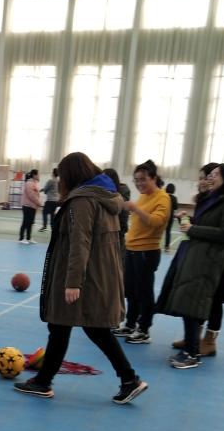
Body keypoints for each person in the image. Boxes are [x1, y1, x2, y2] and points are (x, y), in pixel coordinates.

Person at [14, 152, 147, 404]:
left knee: (68, 325)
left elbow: (80, 241)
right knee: (76, 327)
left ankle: (127, 379)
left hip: (83, 276)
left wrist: (73, 282)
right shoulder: (107, 197)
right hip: (99, 273)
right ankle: (127, 379)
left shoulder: (82, 201)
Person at [157, 163, 224, 369]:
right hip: (196, 257)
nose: (209, 178)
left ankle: (193, 352)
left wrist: (193, 229)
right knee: (188, 304)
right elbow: (206, 225)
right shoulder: (212, 199)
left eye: (215, 175)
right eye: (209, 174)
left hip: (208, 261)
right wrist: (188, 220)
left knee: (194, 305)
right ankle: (191, 347)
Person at [113, 159, 170, 344]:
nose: (139, 184)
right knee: (131, 291)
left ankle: (144, 329)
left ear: (153, 178)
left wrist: (135, 209)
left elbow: (156, 222)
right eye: (136, 180)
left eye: (143, 179)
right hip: (132, 250)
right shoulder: (144, 196)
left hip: (147, 252)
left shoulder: (163, 197)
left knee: (144, 292)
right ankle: (130, 324)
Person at [103, 168, 130, 255]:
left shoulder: (121, 195)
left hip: (117, 235)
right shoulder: (106, 193)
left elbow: (123, 217)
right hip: (107, 235)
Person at [19, 168, 41, 243]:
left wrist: (37, 203)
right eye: (38, 174)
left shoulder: (34, 183)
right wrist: (38, 202)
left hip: (33, 206)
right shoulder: (29, 183)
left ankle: (28, 238)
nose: (39, 175)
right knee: (25, 222)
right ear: (34, 175)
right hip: (27, 206)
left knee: (30, 222)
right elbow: (31, 195)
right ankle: (21, 238)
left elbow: (36, 194)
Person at [39, 167, 59, 231]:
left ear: (53, 173)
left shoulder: (51, 180)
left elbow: (45, 189)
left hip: (50, 200)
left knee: (44, 213)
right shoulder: (58, 181)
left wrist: (42, 190)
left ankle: (44, 226)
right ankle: (53, 228)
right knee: (52, 215)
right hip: (56, 201)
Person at [163, 183, 178, 252]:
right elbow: (176, 208)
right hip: (170, 217)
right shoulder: (174, 198)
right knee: (168, 232)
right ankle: (167, 247)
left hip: (163, 216)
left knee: (158, 231)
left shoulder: (163, 196)